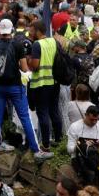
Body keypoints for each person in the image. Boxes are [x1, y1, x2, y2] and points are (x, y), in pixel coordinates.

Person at [0, 23, 49, 161]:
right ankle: (36, 151)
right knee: (25, 118)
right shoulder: (18, 45)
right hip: (15, 87)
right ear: (11, 30)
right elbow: (25, 69)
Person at [28, 20, 64, 153]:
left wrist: (28, 60)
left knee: (42, 112)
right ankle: (59, 140)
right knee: (54, 111)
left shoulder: (37, 45)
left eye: (31, 30)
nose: (30, 33)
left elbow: (35, 65)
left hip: (41, 83)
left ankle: (45, 144)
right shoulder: (54, 41)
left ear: (37, 31)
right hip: (54, 82)